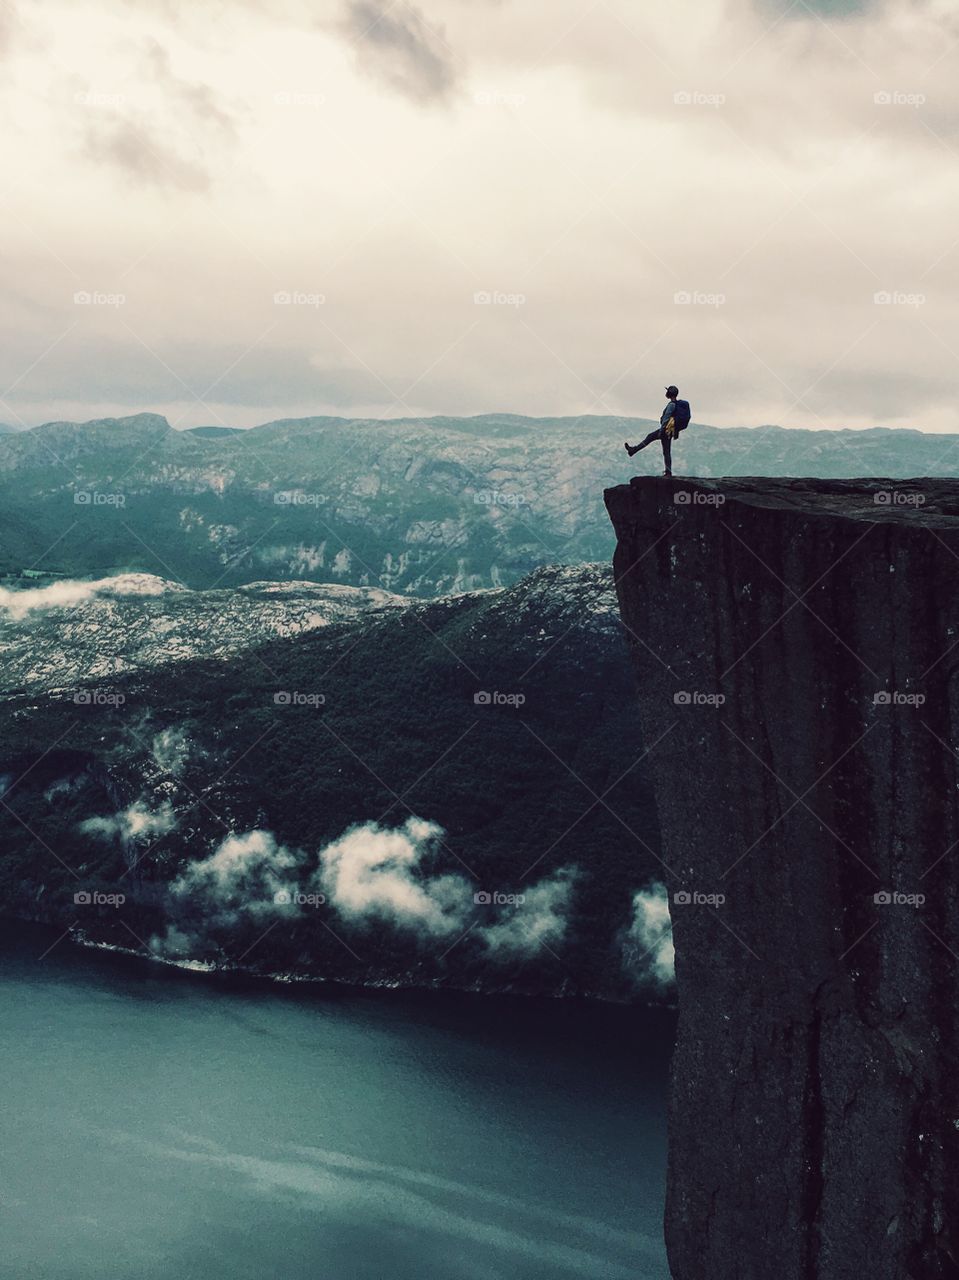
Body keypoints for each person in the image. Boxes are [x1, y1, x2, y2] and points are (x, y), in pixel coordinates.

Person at [625, 386, 691, 477]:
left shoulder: (672, 405)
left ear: (669, 394)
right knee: (666, 451)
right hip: (671, 431)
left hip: (666, 430)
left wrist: (661, 430)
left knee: (650, 437)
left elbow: (666, 418)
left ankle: (633, 450)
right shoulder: (678, 404)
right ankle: (668, 472)